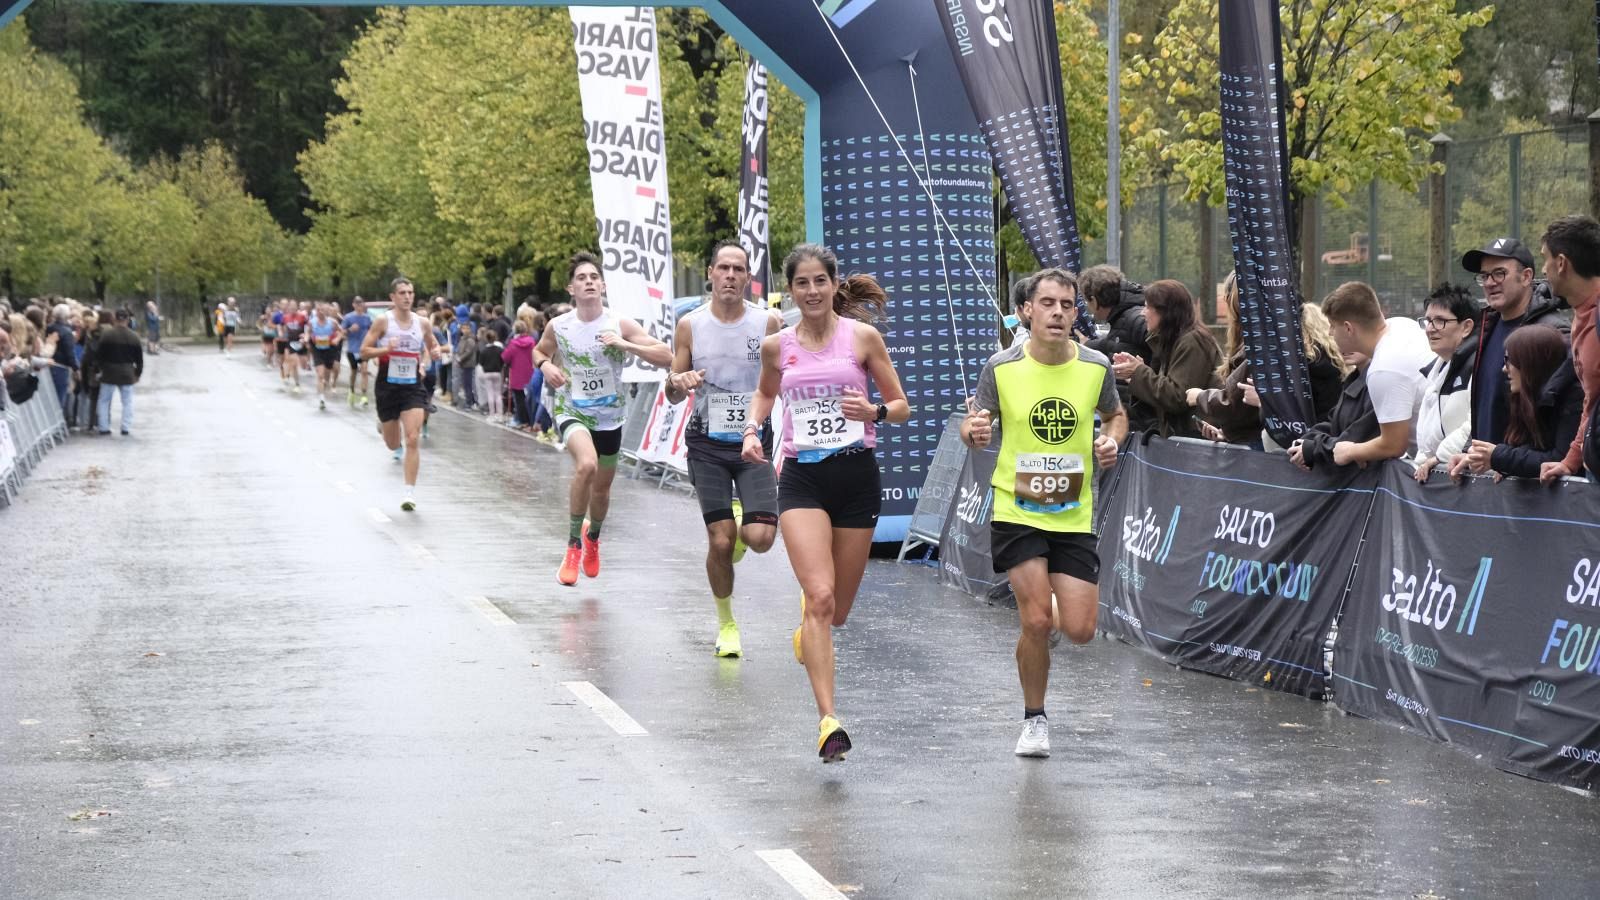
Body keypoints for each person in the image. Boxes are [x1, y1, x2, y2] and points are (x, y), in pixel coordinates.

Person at [741, 243, 910, 763]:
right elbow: (765, 393)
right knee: (819, 596)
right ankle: (828, 721)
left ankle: (809, 628)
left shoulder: (862, 338)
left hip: (856, 477)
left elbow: (901, 406)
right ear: (790, 290)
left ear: (834, 285)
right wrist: (752, 428)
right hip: (802, 479)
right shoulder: (777, 346)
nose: (812, 291)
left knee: (836, 611)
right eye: (802, 283)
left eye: (820, 281)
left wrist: (874, 412)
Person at [962, 268, 1126, 758]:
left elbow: (1116, 415)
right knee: (1034, 621)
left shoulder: (1095, 366)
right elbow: (975, 424)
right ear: (1026, 311)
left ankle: (1045, 622)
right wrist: (974, 432)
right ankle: (1034, 719)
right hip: (1017, 508)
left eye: (1067, 305)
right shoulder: (1001, 367)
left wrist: (1110, 441)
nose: (1058, 313)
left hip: (1074, 513)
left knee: (1080, 630)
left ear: (1076, 313)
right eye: (1048, 303)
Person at [665, 240, 783, 658]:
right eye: (723, 268)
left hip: (753, 441)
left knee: (761, 538)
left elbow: (780, 378)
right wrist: (677, 383)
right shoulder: (690, 325)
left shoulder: (767, 322)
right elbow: (672, 389)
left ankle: (740, 528)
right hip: (706, 444)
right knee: (719, 542)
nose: (730, 275)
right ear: (710, 273)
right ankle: (727, 624)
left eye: (738, 269)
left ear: (748, 277)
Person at [533, 251, 672, 585]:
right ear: (571, 289)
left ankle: (592, 536)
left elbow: (665, 355)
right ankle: (572, 545)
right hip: (572, 409)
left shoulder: (618, 323)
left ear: (603, 285)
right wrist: (546, 365)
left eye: (594, 277)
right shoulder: (559, 326)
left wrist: (626, 345)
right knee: (587, 466)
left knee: (601, 491)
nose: (589, 282)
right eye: (581, 278)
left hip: (611, 418)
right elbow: (539, 350)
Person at [1187, 276, 1346, 447]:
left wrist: (1200, 396)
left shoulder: (1275, 347)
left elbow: (1237, 400)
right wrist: (1230, 433)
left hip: (1302, 446)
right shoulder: (1307, 346)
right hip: (1308, 442)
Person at [1290, 281, 1432, 469]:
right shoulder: (1402, 325)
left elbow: (1394, 445)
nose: (1330, 333)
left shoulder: (1384, 369)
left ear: (1348, 328)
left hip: (1436, 464)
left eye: (1332, 326)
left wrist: (1350, 451)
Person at [1462, 237, 1571, 448]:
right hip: (1487, 465)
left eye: (1499, 273)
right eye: (1484, 276)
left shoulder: (1551, 333)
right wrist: (1468, 452)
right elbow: (1485, 405)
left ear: (1526, 276)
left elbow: (1556, 418)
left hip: (1523, 465)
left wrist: (1507, 458)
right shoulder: (1487, 327)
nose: (1490, 283)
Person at [1447, 325, 1580, 481]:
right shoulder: (1525, 399)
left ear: (1531, 363)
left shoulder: (1574, 397)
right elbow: (1534, 449)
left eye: (1509, 360)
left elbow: (1559, 459)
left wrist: (1500, 458)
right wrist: (1481, 459)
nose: (1504, 368)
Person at [360, 277, 441, 512]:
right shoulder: (383, 322)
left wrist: (435, 353)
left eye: (410, 292)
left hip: (412, 386)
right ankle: (384, 423)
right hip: (387, 385)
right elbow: (364, 351)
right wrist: (387, 349)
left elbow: (433, 345)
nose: (407, 297)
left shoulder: (422, 323)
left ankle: (409, 493)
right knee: (393, 443)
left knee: (413, 438)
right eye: (402, 293)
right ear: (393, 297)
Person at [1111, 279, 1222, 438]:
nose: (1143, 313)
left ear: (1165, 312)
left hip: (1196, 439)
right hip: (1183, 438)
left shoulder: (1192, 341)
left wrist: (1139, 373)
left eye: (1147, 307)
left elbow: (1178, 397)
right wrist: (1137, 376)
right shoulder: (1172, 341)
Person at [1536, 216, 1600, 483]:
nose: (1543, 269)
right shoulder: (1581, 317)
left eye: (1545, 259)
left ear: (1561, 263)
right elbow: (1592, 401)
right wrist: (1571, 461)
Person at [1409, 284, 1478, 481]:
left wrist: (1439, 458)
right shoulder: (1436, 372)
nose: (1430, 329)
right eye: (1427, 321)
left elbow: (1475, 425)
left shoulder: (1477, 367)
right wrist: (1423, 461)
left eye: (1440, 321)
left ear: (1466, 327)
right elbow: (1427, 441)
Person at [95, 309, 143, 436]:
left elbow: (99, 355)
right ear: (127, 320)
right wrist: (137, 374)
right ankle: (125, 427)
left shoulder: (106, 335)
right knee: (127, 401)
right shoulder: (134, 337)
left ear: (115, 319)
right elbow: (139, 359)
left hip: (109, 371)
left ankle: (103, 427)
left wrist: (99, 369)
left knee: (104, 400)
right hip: (127, 372)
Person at [306, 303, 344, 410]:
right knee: (320, 375)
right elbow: (308, 332)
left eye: (322, 310)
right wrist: (306, 338)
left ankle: (325, 386)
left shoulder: (332, 322)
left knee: (326, 376)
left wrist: (337, 339)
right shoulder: (312, 322)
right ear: (316, 312)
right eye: (318, 310)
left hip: (329, 350)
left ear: (326, 312)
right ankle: (322, 399)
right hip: (317, 350)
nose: (320, 312)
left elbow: (341, 332)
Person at [503, 320, 537, 429]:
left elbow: (505, 357)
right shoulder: (532, 341)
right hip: (529, 374)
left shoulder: (513, 343)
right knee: (529, 399)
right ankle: (530, 421)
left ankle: (521, 420)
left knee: (519, 400)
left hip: (517, 375)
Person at [45, 304, 77, 419]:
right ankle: (58, 419)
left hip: (49, 363)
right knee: (60, 397)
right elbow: (69, 352)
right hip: (61, 366)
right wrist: (76, 367)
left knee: (49, 397)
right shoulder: (67, 332)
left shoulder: (49, 327)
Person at [343, 297, 373, 408]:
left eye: (361, 304)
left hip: (364, 349)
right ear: (353, 305)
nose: (359, 306)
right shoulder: (348, 317)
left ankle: (364, 395)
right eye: (357, 304)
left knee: (364, 370)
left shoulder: (367, 318)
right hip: (352, 349)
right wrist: (350, 329)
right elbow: (342, 332)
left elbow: (372, 331)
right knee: (354, 371)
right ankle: (351, 390)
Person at [279, 300, 308, 393]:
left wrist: (305, 335)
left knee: (304, 364)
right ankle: (297, 384)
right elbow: (281, 325)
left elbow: (308, 327)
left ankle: (290, 375)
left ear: (297, 307)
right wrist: (281, 332)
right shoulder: (285, 317)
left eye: (294, 306)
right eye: (291, 306)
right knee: (294, 363)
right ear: (289, 308)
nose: (292, 308)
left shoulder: (302, 317)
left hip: (301, 342)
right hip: (291, 342)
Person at [478, 327, 505, 421]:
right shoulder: (499, 349)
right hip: (497, 372)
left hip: (487, 373)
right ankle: (500, 414)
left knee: (490, 393)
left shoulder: (484, 351)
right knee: (498, 394)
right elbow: (503, 360)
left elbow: (481, 362)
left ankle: (492, 414)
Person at [454, 321, 478, 410]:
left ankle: (469, 402)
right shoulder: (462, 338)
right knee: (465, 384)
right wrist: (457, 356)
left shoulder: (470, 339)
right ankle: (470, 401)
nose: (465, 330)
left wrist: (460, 358)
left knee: (468, 384)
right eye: (463, 328)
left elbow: (468, 352)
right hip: (463, 364)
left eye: (467, 328)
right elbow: (459, 349)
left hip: (468, 364)